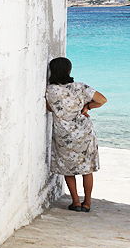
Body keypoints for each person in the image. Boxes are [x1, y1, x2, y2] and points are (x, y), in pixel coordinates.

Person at [45, 57, 107, 212]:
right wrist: (87, 107)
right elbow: (102, 100)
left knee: (68, 168)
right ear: (69, 71)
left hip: (63, 134)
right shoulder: (80, 87)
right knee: (87, 169)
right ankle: (87, 203)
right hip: (84, 132)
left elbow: (50, 108)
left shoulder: (50, 90)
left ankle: (75, 202)